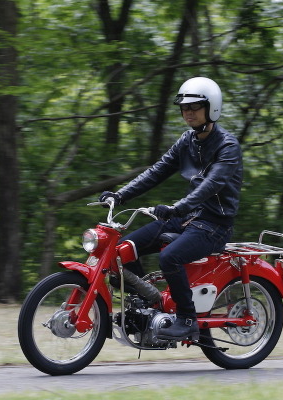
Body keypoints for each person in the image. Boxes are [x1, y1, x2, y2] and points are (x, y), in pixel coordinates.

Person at [99, 77, 243, 341]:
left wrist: (177, 208)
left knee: (169, 258)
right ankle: (147, 306)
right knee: (122, 252)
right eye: (184, 107)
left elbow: (209, 186)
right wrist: (120, 196)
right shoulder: (187, 141)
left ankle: (187, 320)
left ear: (211, 108)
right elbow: (156, 171)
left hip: (214, 225)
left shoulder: (228, 146)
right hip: (187, 217)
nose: (188, 112)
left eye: (195, 107)